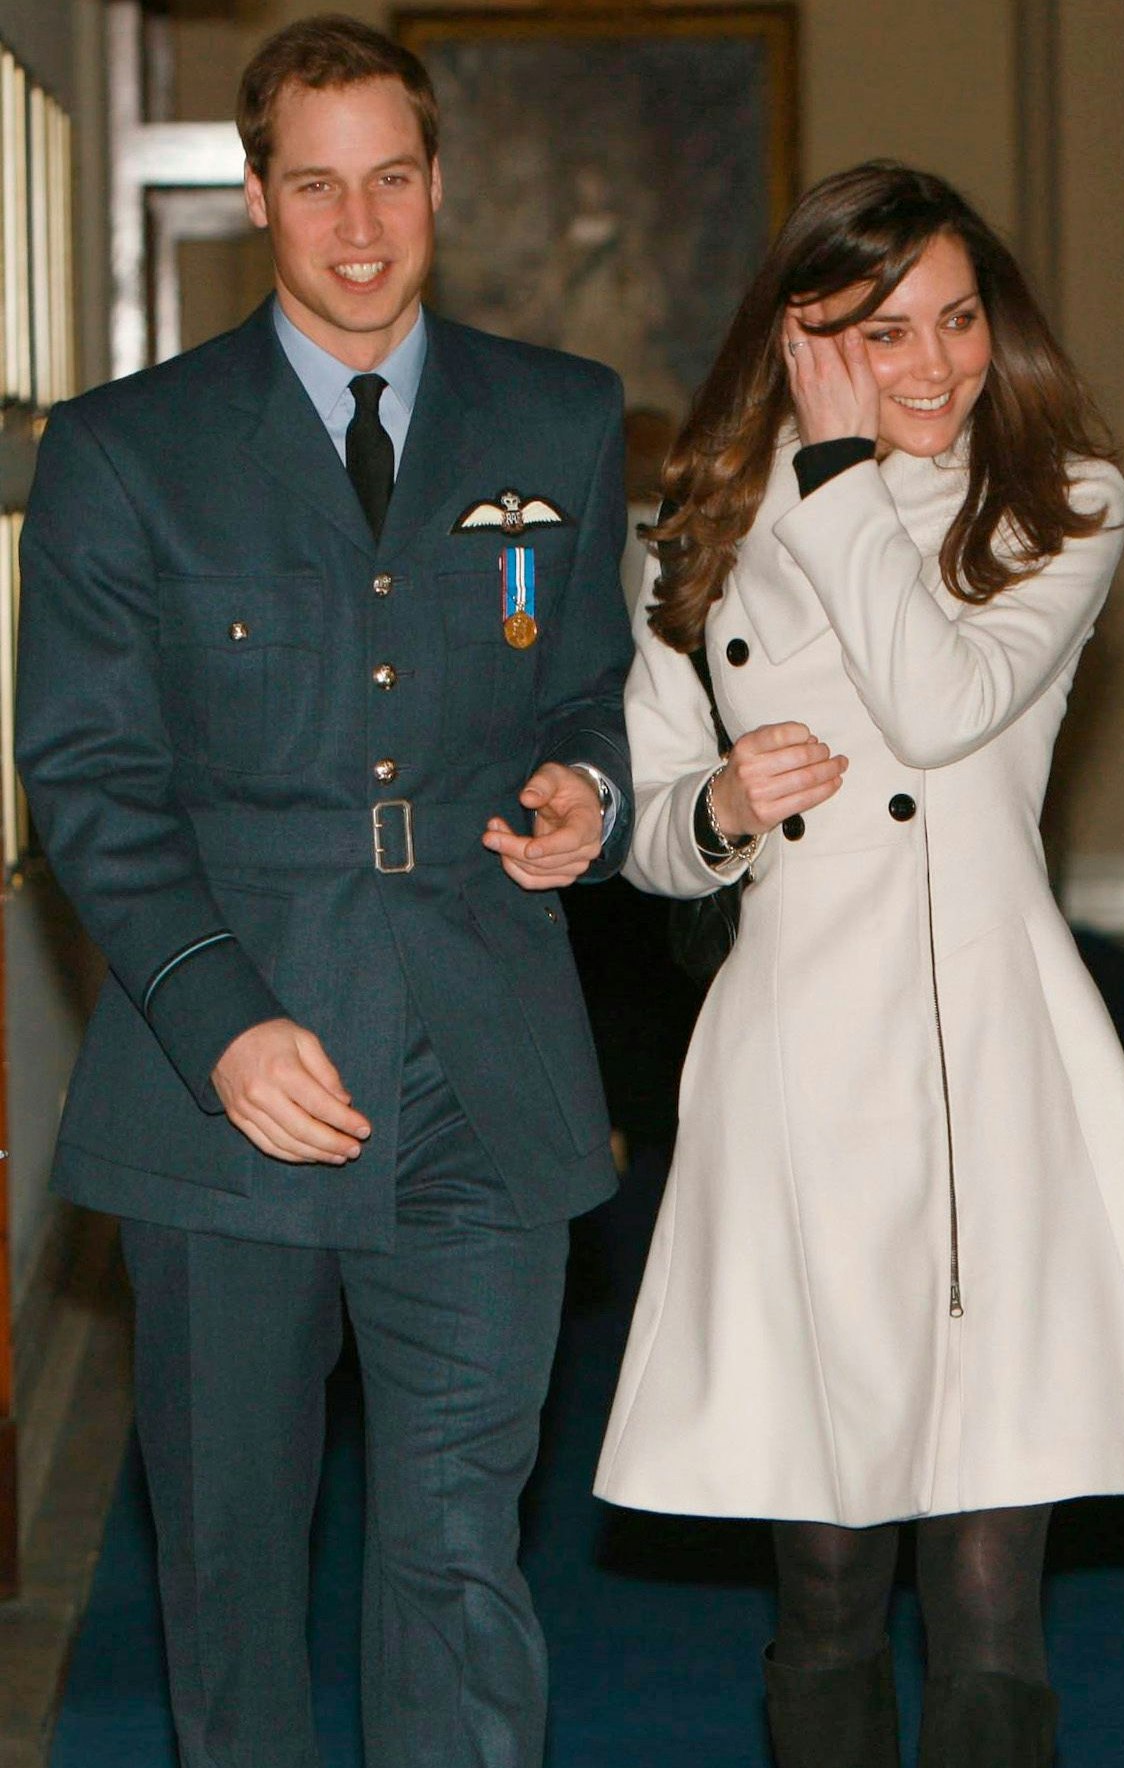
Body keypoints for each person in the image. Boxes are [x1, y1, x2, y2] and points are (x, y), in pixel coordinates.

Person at [17, 16, 631, 1768]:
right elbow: (90, 781)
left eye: (390, 180)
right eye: (314, 186)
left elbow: (588, 693)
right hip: (226, 1084)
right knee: (231, 1575)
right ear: (254, 197)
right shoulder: (127, 448)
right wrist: (220, 1022)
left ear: (438, 184)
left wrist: (589, 784)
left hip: (479, 1062)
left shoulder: (559, 419)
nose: (358, 230)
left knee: (456, 1552)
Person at [594, 161, 1124, 1768]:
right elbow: (649, 827)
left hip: (991, 1065)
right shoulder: (693, 529)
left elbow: (942, 703)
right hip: (799, 1060)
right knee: (821, 1574)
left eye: (959, 318)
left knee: (983, 1576)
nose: (938, 363)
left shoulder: (1062, 503)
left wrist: (831, 472)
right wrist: (719, 808)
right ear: (804, 338)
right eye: (885, 332)